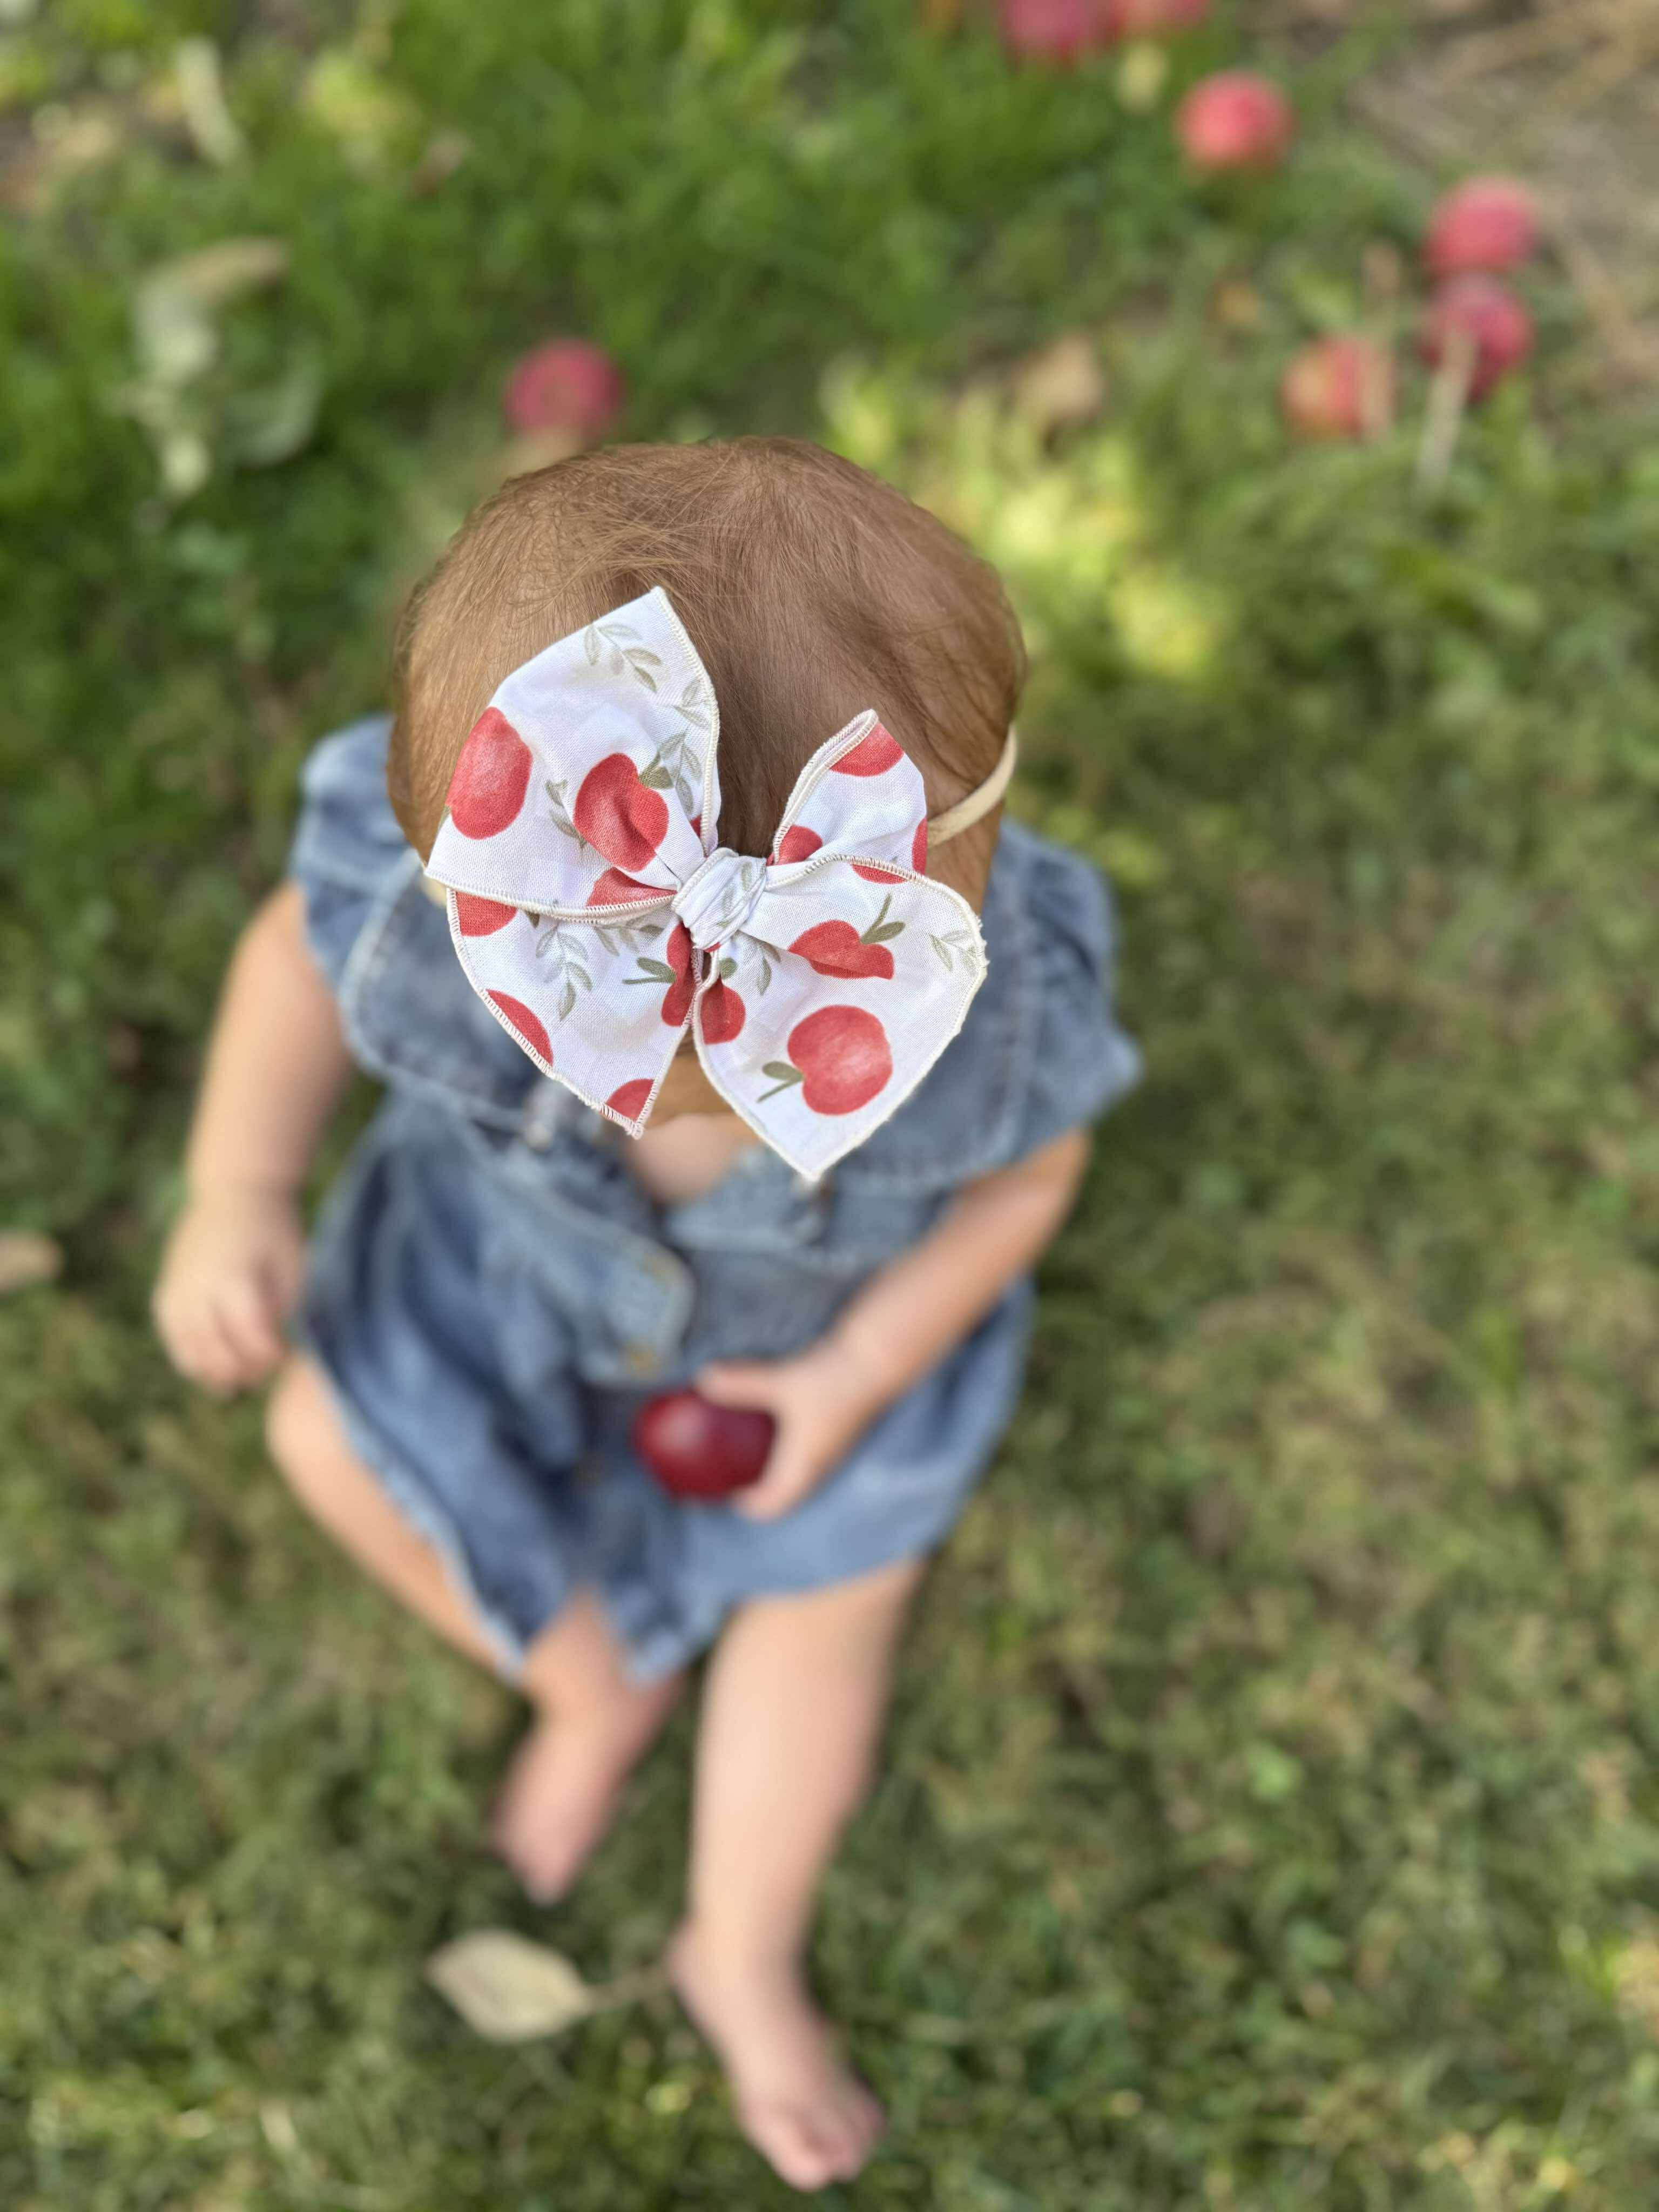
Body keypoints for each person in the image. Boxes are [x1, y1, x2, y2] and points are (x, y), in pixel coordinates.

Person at [153, 437, 1139, 2191]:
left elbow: (1028, 1185)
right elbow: (293, 964)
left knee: (831, 1601)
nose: (677, 1076)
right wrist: (237, 1191)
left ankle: (737, 1947)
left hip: (800, 1361)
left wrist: (855, 1374)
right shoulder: (443, 891)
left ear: (928, 905)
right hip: (486, 1284)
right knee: (327, 1431)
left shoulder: (988, 1004)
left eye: (762, 1054)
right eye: (599, 1022)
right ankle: (586, 1683)